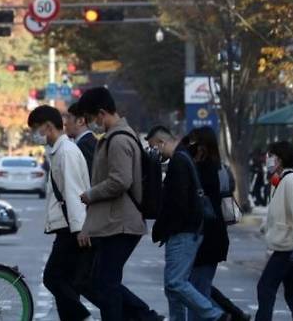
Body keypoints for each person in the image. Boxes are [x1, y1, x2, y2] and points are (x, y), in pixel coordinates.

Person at [77, 87, 161, 321]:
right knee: (103, 281)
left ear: (102, 113)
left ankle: (146, 317)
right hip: (116, 222)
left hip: (122, 223)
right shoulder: (119, 136)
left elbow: (120, 181)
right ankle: (146, 317)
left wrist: (91, 194)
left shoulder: (118, 139)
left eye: (91, 118)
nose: (91, 124)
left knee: (107, 284)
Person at [147, 125, 228, 321]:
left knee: (177, 283)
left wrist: (166, 228)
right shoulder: (185, 159)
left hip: (185, 232)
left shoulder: (181, 162)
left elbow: (177, 202)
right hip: (189, 232)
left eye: (153, 147)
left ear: (161, 142)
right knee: (173, 287)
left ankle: (216, 315)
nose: (153, 153)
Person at [28, 105, 94, 321]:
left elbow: (74, 193)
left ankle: (84, 318)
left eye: (36, 129)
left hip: (72, 228)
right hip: (69, 226)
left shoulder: (66, 152)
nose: (34, 134)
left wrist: (80, 229)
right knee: (67, 282)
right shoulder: (59, 151)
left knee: (53, 278)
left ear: (48, 126)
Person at [184, 127, 250, 321]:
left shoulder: (202, 169)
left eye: (194, 142)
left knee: (196, 292)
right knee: (200, 287)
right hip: (216, 236)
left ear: (202, 146)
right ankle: (232, 314)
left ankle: (224, 316)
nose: (190, 147)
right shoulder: (220, 167)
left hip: (205, 237)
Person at [256, 141, 293, 321]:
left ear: (279, 159)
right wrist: (265, 226)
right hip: (287, 246)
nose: (267, 160)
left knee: (265, 287)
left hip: (288, 247)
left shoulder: (292, 181)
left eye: (270, 156)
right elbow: (278, 211)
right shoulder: (281, 181)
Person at [64, 102, 97, 178]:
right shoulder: (89, 141)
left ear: (80, 121)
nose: (65, 123)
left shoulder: (84, 145)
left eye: (69, 118)